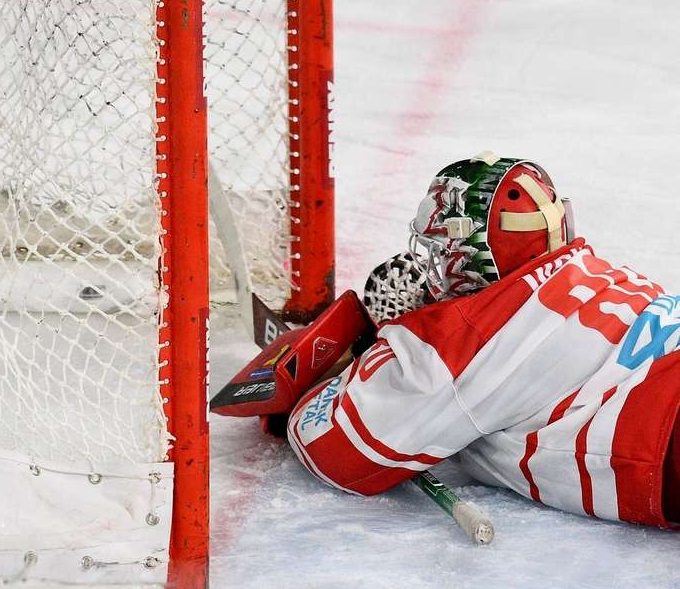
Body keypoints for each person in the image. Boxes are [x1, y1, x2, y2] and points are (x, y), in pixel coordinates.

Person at [218, 152, 680, 527]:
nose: (436, 265)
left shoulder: (466, 339)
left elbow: (341, 452)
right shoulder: (601, 272)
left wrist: (333, 375)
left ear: (474, 257)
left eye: (444, 251)